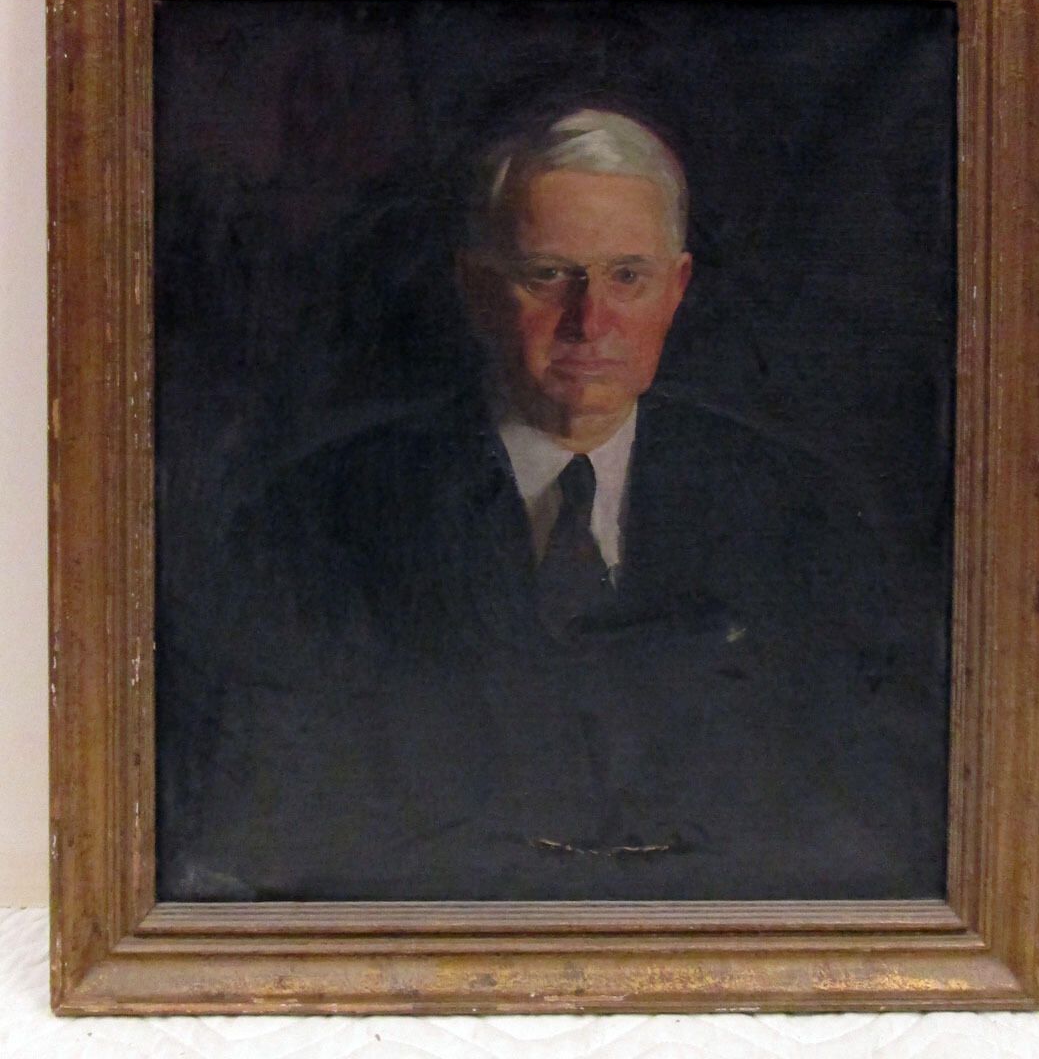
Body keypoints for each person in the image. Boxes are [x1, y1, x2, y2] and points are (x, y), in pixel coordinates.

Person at [156, 109, 949, 904]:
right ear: (477, 289)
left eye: (627, 277)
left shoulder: (797, 512)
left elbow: (864, 813)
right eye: (548, 276)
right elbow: (268, 826)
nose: (590, 322)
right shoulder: (321, 516)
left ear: (676, 289)